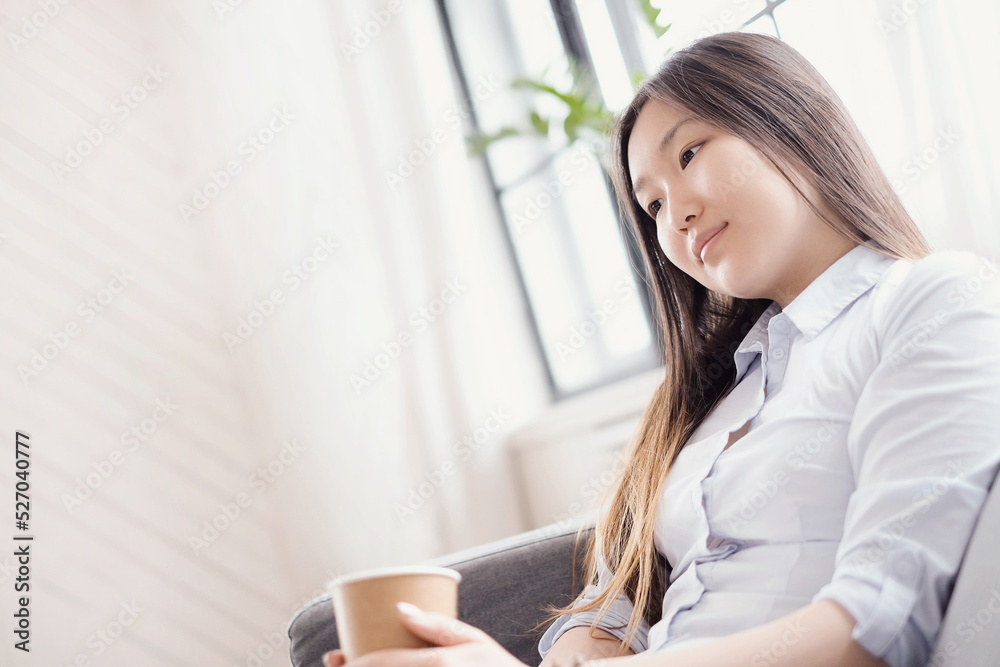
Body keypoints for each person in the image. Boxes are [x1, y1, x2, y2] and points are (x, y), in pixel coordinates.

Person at [321, 30, 1000, 667]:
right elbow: (614, 606)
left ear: (793, 122)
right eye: (651, 207)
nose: (674, 215)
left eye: (689, 154)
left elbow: (872, 627)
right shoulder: (712, 398)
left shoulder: (931, 301)